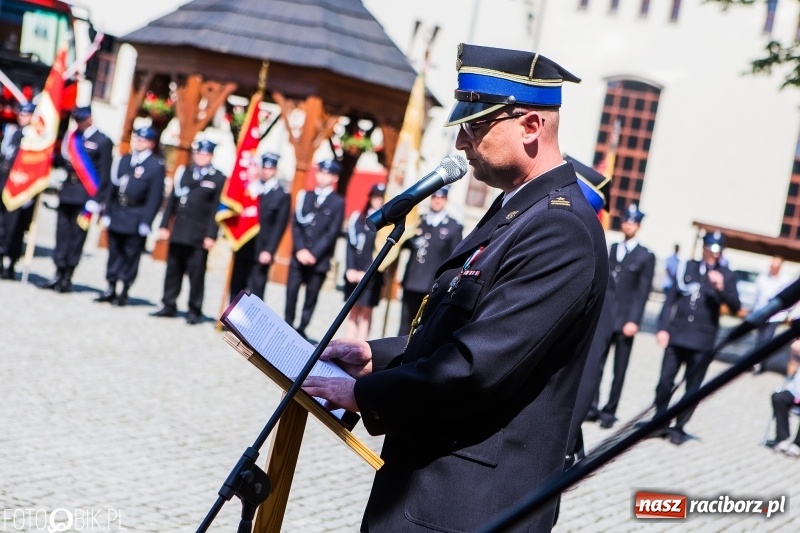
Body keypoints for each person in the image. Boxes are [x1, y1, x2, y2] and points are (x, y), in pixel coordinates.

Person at [301, 44, 608, 532]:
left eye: (475, 126)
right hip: (435, 489)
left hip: (470, 506)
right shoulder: (521, 210)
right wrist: (376, 356)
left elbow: (477, 367)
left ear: (531, 127)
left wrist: (361, 392)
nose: (462, 143)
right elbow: (465, 330)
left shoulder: (559, 230)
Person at [653, 231, 740, 445]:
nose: (714, 254)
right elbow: (670, 299)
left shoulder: (727, 275)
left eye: (718, 250)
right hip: (678, 335)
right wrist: (663, 328)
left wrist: (721, 288)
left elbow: (735, 306)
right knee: (665, 382)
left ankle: (679, 426)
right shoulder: (688, 267)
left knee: (692, 388)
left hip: (702, 340)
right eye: (711, 249)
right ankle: (660, 421)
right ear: (704, 248)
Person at [588, 203, 655, 429]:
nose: (628, 224)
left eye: (633, 222)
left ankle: (610, 411)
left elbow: (642, 293)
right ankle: (592, 406)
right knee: (596, 362)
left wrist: (634, 321)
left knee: (619, 369)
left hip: (626, 320)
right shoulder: (613, 248)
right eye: (626, 220)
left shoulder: (646, 256)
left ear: (638, 226)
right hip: (606, 317)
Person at [151, 140, 225, 324]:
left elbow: (216, 210)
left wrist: (211, 235)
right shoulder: (184, 172)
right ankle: (169, 304)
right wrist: (164, 225)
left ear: (211, 156)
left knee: (196, 274)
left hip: (199, 235)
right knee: (173, 270)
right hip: (179, 231)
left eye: (205, 154)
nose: (200, 156)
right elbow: (171, 203)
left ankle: (194, 309)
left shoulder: (218, 178)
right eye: (198, 153)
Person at [41, 106, 113, 293]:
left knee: (76, 237)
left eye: (81, 120)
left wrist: (97, 200)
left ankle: (67, 275)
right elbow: (63, 163)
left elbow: (104, 175)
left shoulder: (103, 141)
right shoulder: (72, 138)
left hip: (85, 197)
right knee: (62, 234)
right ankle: (58, 270)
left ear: (89, 118)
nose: (78, 124)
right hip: (67, 193)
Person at [94, 127, 165, 306]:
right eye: (136, 138)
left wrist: (146, 221)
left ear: (151, 143)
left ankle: (124, 289)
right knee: (114, 251)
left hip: (136, 214)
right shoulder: (124, 160)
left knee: (130, 254)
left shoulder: (155, 166)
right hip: (118, 211)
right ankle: (110, 286)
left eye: (142, 140)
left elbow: (155, 197)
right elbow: (112, 189)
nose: (138, 142)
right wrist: (107, 212)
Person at [285, 159, 344, 339]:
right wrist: (301, 249)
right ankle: (287, 324)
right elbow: (296, 224)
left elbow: (332, 231)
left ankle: (302, 327)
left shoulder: (337, 202)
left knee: (311, 295)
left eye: (327, 173)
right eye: (320, 172)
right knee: (291, 291)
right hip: (299, 256)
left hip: (318, 260)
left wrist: (313, 253)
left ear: (334, 177)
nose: (322, 176)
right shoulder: (306, 196)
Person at [397, 186, 463, 335]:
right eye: (434, 197)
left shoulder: (453, 227)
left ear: (446, 200)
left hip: (432, 285)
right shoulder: (419, 221)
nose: (437, 201)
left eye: (441, 198)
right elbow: (402, 244)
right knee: (405, 324)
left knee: (424, 328)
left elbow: (455, 258)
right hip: (412, 281)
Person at [228, 152, 290, 303]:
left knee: (256, 287)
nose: (266, 171)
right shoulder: (250, 190)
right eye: (264, 168)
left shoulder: (281, 195)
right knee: (237, 284)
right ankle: (232, 318)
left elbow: (279, 226)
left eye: (270, 168)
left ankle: (251, 324)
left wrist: (269, 250)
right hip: (244, 243)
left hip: (262, 248)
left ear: (275, 170)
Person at [343, 183, 386, 341]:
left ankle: (359, 345)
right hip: (355, 271)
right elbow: (350, 246)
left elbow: (382, 252)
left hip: (372, 274)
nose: (378, 200)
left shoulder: (386, 223)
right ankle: (347, 342)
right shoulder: (359, 218)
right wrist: (350, 268)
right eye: (376, 197)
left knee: (366, 312)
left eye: (381, 198)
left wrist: (367, 273)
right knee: (352, 310)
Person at [0, 102, 36, 280]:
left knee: (15, 229)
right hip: (4, 186)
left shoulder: (35, 139)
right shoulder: (14, 134)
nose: (22, 117)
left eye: (26, 114)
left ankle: (10, 264)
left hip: (20, 191)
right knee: (2, 227)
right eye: (21, 114)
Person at [752, 256, 792, 374]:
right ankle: (757, 361)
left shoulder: (785, 280)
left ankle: (759, 363)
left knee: (766, 339)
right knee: (760, 339)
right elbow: (756, 296)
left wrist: (786, 312)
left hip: (775, 316)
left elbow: (790, 299)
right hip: (761, 313)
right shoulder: (762, 278)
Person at [768, 339, 800, 456]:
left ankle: (798, 444)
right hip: (796, 391)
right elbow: (791, 371)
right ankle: (782, 438)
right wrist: (793, 358)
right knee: (778, 397)